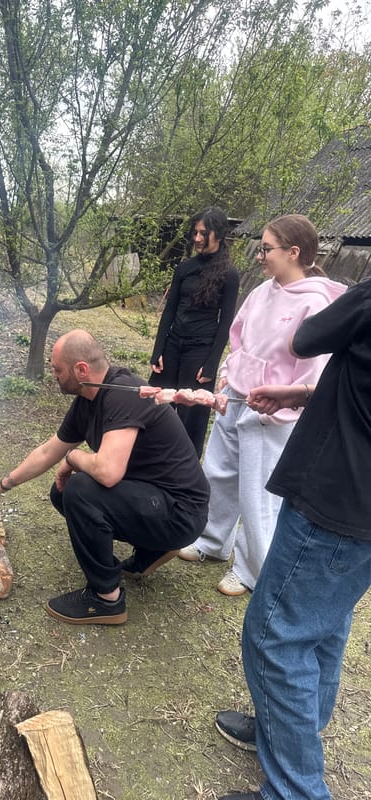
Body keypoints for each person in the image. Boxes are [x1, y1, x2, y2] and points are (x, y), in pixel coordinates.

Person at [214, 277, 371, 800]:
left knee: (275, 636)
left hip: (337, 496)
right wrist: (304, 392)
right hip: (360, 507)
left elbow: (305, 339)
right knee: (324, 624)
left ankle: (294, 790)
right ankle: (288, 729)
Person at [0, 328, 210, 625]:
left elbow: (108, 473)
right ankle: (153, 548)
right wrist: (3, 484)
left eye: (58, 369)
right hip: (154, 499)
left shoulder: (123, 395)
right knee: (63, 492)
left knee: (81, 489)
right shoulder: (86, 401)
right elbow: (49, 450)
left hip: (181, 511)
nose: (54, 376)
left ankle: (106, 599)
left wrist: (73, 458)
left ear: (81, 369)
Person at [178, 214, 346, 596]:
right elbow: (239, 338)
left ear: (294, 252)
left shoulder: (316, 302)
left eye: (267, 249)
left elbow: (315, 368)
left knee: (257, 492)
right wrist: (226, 372)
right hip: (236, 397)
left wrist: (285, 405)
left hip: (273, 412)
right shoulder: (262, 291)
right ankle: (211, 540)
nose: (261, 255)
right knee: (218, 473)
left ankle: (251, 568)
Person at [149, 207, 240, 458]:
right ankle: (152, 460)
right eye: (195, 232)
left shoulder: (229, 275)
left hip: (200, 351)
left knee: (192, 416)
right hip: (173, 345)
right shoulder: (184, 268)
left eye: (204, 233)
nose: (197, 238)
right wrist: (158, 350)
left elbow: (226, 324)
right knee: (157, 404)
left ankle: (185, 469)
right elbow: (169, 311)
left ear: (219, 234)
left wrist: (211, 366)